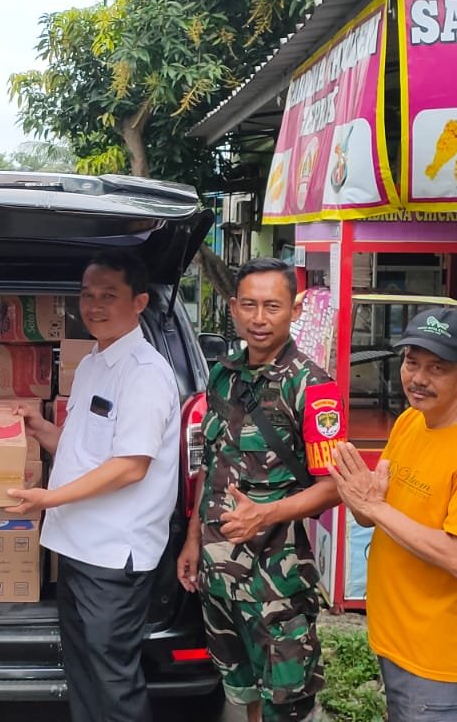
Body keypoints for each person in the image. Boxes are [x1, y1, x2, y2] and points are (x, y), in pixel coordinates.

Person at [6, 250, 182, 722]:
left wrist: (48, 499)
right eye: (87, 295)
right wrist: (41, 429)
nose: (94, 306)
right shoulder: (92, 362)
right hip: (78, 546)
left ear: (139, 301)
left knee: (112, 681)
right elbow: (84, 450)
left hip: (113, 557)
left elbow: (129, 467)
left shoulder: (144, 374)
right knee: (83, 671)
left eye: (109, 295)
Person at [178, 258, 345, 722]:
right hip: (219, 574)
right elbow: (212, 463)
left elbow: (335, 488)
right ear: (233, 307)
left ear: (294, 310)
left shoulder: (313, 387)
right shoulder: (223, 375)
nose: (258, 318)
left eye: (272, 306)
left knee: (284, 704)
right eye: (249, 305)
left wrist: (264, 515)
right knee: (242, 693)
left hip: (276, 585)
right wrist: (193, 539)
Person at [331, 307, 457, 722]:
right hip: (396, 641)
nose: (418, 378)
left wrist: (375, 507)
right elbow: (379, 518)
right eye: (411, 362)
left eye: (437, 368)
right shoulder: (411, 422)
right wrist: (361, 501)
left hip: (443, 659)